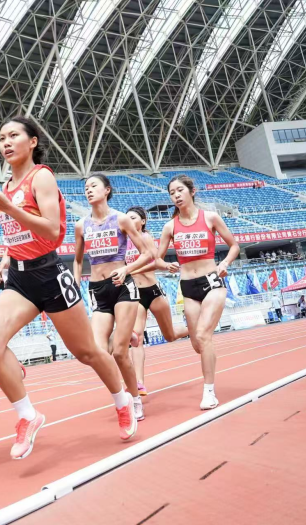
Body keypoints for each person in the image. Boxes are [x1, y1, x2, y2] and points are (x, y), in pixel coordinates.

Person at [0, 116, 139, 461]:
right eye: (2, 137)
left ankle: (123, 401)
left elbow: (52, 231)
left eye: (14, 135)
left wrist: (8, 208)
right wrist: (6, 255)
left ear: (33, 141)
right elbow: (20, 232)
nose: (6, 142)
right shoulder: (6, 186)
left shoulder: (42, 177)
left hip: (49, 275)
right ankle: (27, 416)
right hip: (20, 279)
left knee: (88, 352)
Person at [133, 175, 239, 410]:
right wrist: (165, 265)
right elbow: (157, 258)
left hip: (212, 281)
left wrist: (224, 263)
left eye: (180, 190)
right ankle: (208, 353)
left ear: (192, 191)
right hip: (188, 287)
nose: (176, 195)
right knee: (197, 344)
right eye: (172, 193)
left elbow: (234, 246)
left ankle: (209, 392)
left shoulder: (210, 218)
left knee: (203, 335)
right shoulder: (170, 226)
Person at [74, 175, 159, 424]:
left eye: (94, 186)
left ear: (107, 190)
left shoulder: (121, 219)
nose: (89, 190)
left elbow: (147, 253)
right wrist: (75, 283)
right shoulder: (81, 225)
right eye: (86, 187)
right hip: (97, 289)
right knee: (98, 352)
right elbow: (78, 261)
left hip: (122, 287)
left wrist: (126, 269)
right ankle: (123, 335)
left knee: (120, 353)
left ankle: (135, 400)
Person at [122, 206, 188, 397]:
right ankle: (139, 383)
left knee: (170, 335)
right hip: (135, 294)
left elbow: (155, 261)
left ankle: (195, 328)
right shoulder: (123, 241)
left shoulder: (145, 237)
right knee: (136, 338)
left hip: (153, 291)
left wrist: (166, 265)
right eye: (126, 218)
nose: (128, 220)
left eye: (133, 218)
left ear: (142, 222)